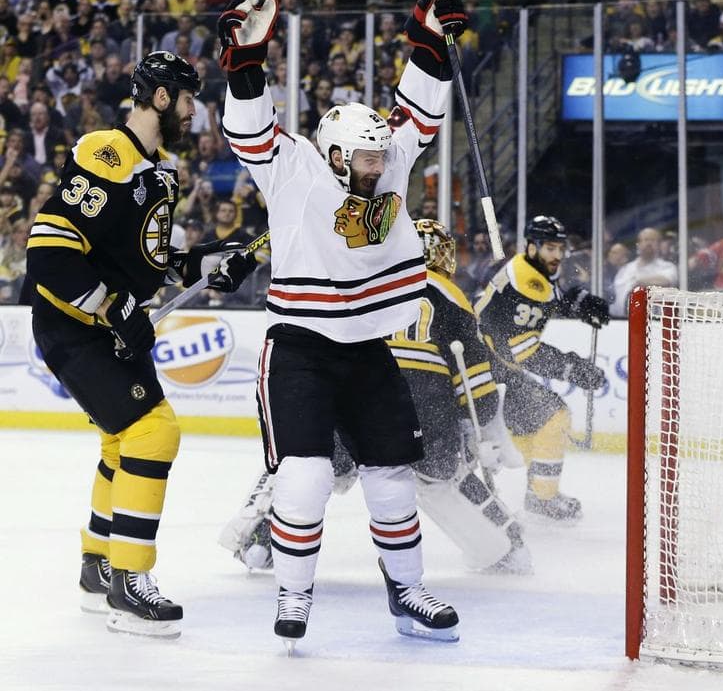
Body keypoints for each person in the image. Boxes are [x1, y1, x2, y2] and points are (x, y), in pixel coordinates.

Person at [217, 0, 468, 648]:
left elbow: (417, 120)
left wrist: (430, 41)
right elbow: (250, 125)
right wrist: (246, 59)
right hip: (299, 348)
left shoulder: (385, 168)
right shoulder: (292, 168)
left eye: (378, 153)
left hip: (365, 348)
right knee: (304, 477)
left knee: (391, 476)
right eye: (363, 154)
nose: (377, 162)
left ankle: (407, 590)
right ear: (332, 154)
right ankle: (294, 595)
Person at [24, 50, 257, 639]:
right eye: (185, 99)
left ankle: (97, 566)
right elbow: (49, 250)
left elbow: (142, 259)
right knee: (154, 431)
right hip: (73, 327)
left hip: (104, 329)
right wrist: (111, 304)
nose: (192, 111)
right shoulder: (111, 154)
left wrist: (200, 265)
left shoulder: (160, 168)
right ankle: (130, 582)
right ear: (159, 98)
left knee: (122, 441)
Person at [219, 219, 530, 576]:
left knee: (311, 462)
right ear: (444, 255)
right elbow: (474, 374)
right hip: (429, 398)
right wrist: (477, 425)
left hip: (363, 384)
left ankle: (259, 539)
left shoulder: (367, 279)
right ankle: (504, 546)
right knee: (444, 477)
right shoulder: (451, 294)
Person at [475, 215, 610, 522]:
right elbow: (524, 352)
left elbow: (551, 298)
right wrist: (572, 369)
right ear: (532, 246)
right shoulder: (527, 281)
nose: (557, 255)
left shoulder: (528, 269)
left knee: (532, 426)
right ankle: (542, 498)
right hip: (490, 370)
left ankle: (538, 494)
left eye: (560, 248)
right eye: (550, 248)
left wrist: (578, 302)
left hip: (493, 366)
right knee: (552, 417)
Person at [609, 227, 677, 316]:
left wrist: (639, 282)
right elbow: (616, 298)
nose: (649, 243)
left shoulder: (668, 267)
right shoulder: (625, 270)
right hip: (621, 322)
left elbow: (667, 281)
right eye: (645, 240)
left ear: (659, 244)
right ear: (638, 244)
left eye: (652, 240)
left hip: (656, 323)